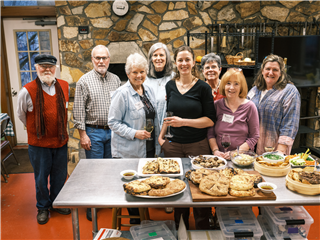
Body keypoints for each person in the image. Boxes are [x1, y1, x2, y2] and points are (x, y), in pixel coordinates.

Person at [158, 46, 216, 230]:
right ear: (175, 63)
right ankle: (179, 227)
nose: (184, 64)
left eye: (187, 59)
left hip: (198, 146)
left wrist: (184, 122)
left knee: (200, 187)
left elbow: (210, 121)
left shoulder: (203, 87)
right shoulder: (170, 85)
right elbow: (168, 114)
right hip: (173, 146)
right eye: (180, 60)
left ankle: (202, 227)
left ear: (193, 62)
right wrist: (161, 139)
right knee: (176, 188)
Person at [17, 54, 71, 224]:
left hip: (60, 141)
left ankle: (56, 203)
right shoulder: (27, 90)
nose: (47, 70)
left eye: (50, 66)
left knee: (59, 175)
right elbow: (21, 115)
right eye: (43, 66)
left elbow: (65, 110)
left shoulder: (64, 86)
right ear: (36, 68)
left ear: (55, 68)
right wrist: (38, 130)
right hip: (39, 144)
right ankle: (42, 207)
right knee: (41, 178)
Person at [108, 52, 160, 224]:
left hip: (148, 147)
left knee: (144, 184)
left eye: (142, 72)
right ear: (128, 74)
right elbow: (113, 122)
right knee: (133, 187)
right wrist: (134, 133)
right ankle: (136, 223)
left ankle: (143, 220)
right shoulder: (121, 94)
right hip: (129, 150)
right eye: (135, 72)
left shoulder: (149, 90)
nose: (139, 76)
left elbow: (152, 116)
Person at [73, 45, 121, 221]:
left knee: (109, 169)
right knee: (94, 170)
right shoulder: (83, 81)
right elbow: (78, 111)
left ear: (109, 59)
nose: (101, 61)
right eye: (97, 58)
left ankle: (106, 198)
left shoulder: (116, 80)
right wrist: (83, 135)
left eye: (104, 58)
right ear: (92, 59)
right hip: (93, 132)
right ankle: (92, 204)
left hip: (113, 132)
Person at [247, 54, 300, 155]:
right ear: (262, 71)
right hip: (251, 148)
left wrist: (279, 152)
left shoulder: (289, 91)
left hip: (273, 149)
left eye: (275, 69)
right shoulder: (255, 90)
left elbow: (290, 124)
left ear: (281, 73)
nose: (270, 73)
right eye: (267, 69)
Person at [144, 42, 175, 214]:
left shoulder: (173, 77)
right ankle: (154, 192)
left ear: (167, 58)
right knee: (151, 159)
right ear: (150, 59)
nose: (158, 58)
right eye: (154, 55)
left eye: (161, 55)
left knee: (167, 160)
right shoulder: (145, 78)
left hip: (168, 126)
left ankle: (169, 196)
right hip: (149, 125)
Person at [207, 68, 260, 160]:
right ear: (223, 85)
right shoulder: (216, 105)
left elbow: (254, 137)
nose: (231, 87)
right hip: (219, 158)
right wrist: (215, 151)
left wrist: (236, 152)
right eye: (228, 83)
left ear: (241, 87)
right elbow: (210, 133)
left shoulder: (250, 107)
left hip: (242, 158)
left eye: (236, 84)